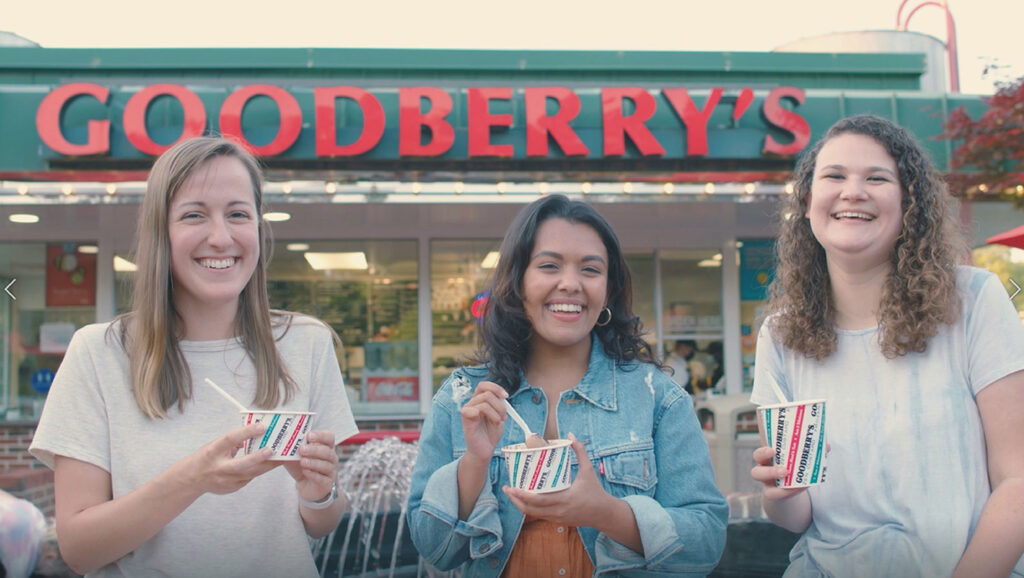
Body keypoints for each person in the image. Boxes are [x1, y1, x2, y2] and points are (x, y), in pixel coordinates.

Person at [29, 136, 358, 577]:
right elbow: (79, 549)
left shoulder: (307, 343)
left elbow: (321, 523)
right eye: (194, 215)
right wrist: (194, 479)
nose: (221, 238)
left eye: (238, 214)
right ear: (160, 233)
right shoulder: (98, 353)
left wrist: (319, 491)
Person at [748, 115, 1024, 577]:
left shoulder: (975, 301)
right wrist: (781, 494)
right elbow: (797, 517)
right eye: (834, 176)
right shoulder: (779, 335)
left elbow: (1017, 481)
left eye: (876, 178)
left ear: (909, 202)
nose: (852, 191)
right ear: (809, 200)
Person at [407, 194, 727, 577]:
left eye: (590, 270)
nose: (570, 284)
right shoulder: (464, 398)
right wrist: (474, 464)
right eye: (549, 265)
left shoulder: (657, 396)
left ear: (607, 289)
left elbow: (707, 543)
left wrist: (607, 514)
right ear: (518, 281)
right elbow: (433, 549)